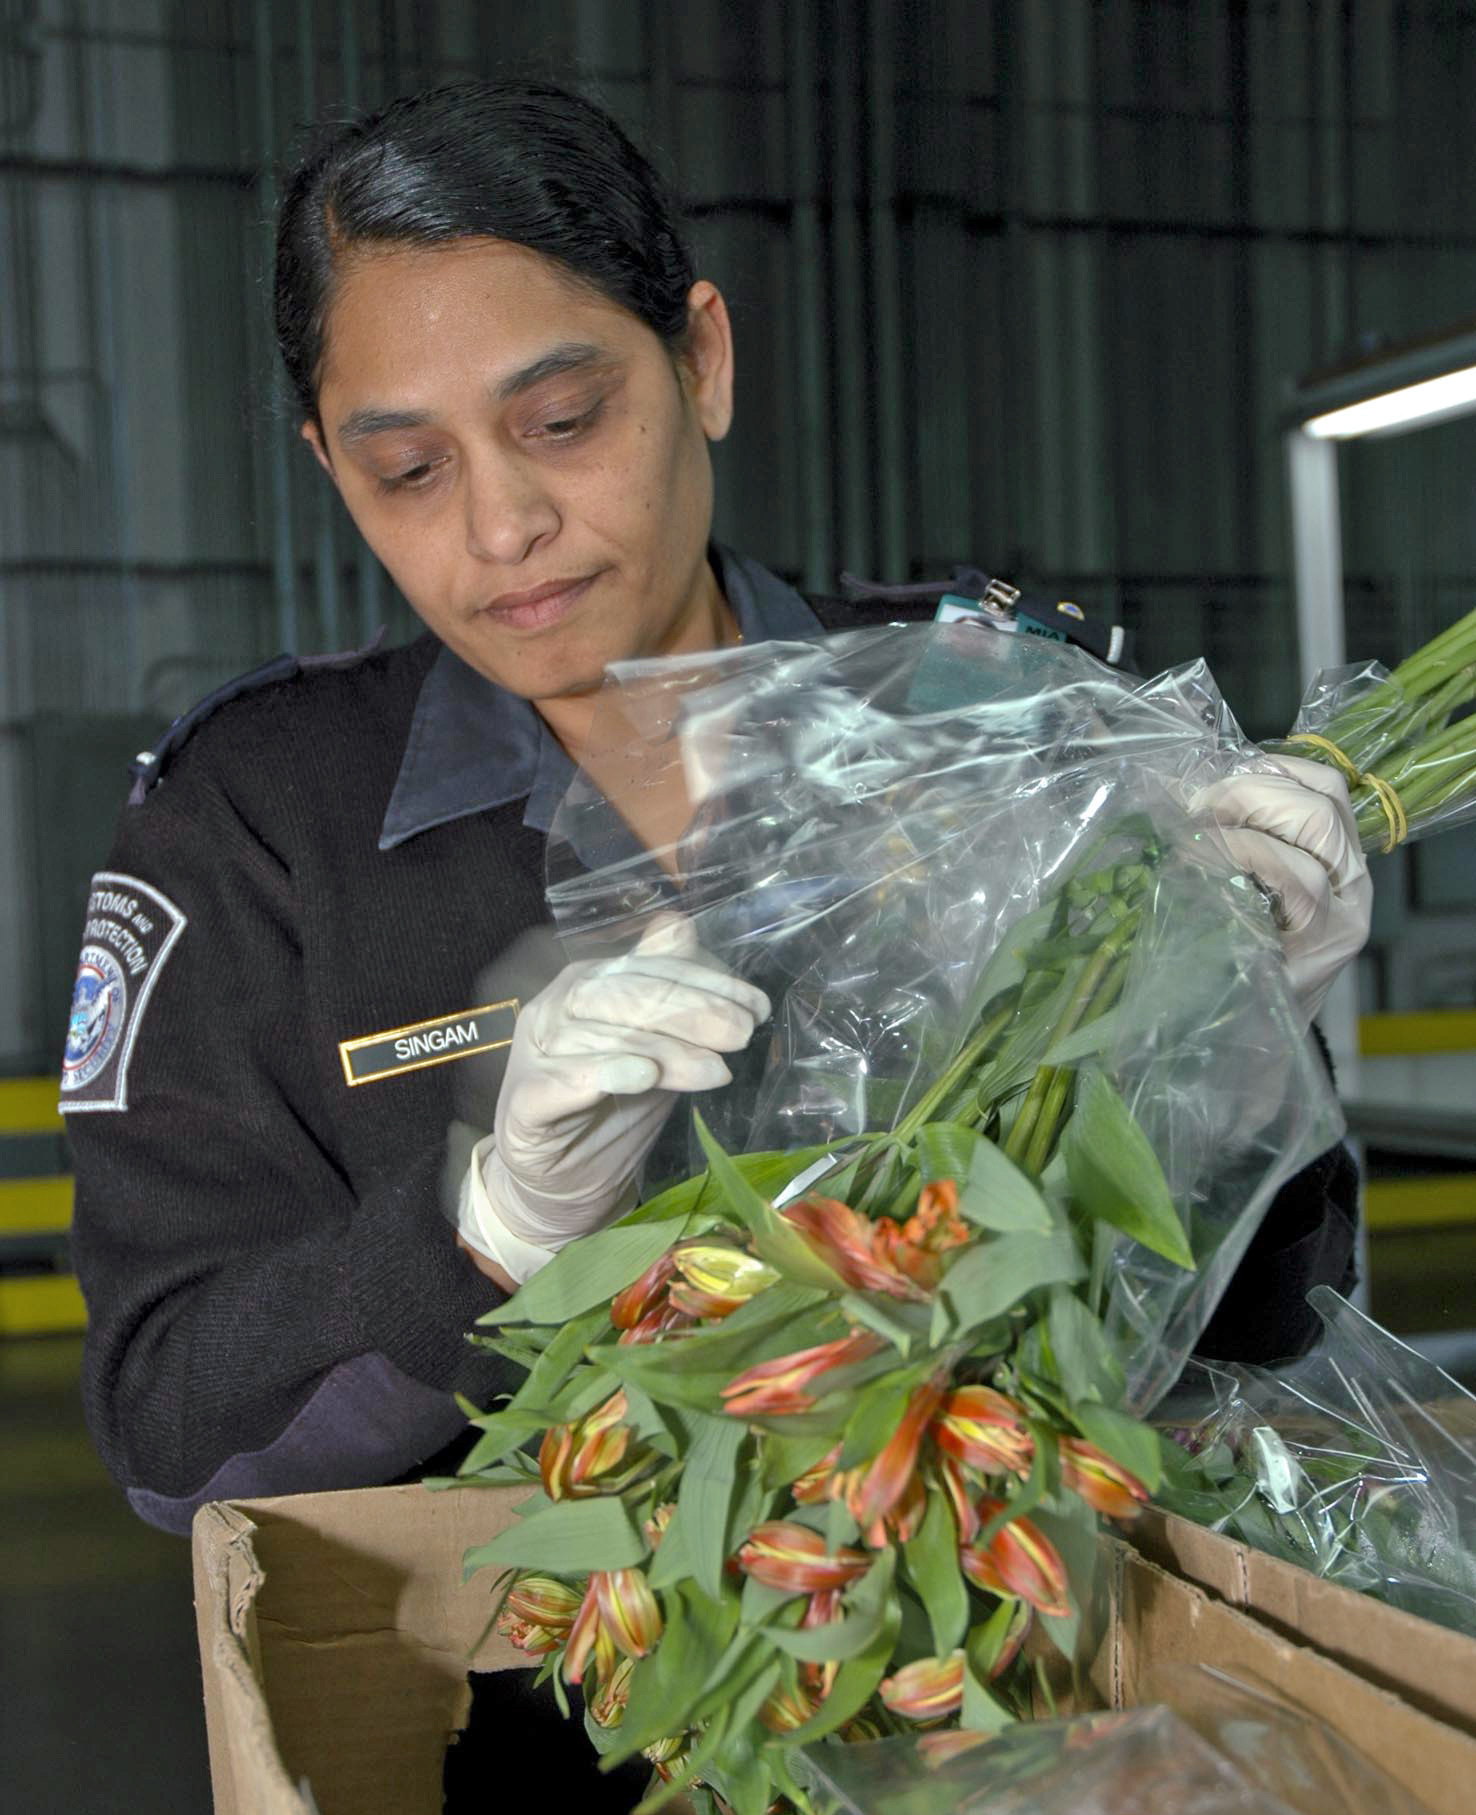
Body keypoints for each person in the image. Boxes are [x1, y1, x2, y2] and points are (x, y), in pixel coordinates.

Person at [62, 78, 1369, 1536]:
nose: (503, 528)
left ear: (703, 360)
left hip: (1015, 1678)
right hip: (513, 1735)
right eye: (409, 470)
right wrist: (486, 1236)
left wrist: (1244, 1068)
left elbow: (1268, 1343)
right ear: (330, 467)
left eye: (561, 420)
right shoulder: (258, 821)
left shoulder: (999, 720)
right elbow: (171, 1437)